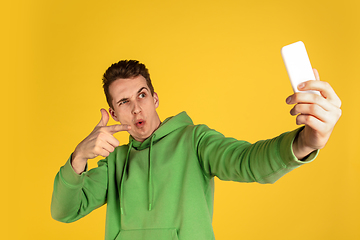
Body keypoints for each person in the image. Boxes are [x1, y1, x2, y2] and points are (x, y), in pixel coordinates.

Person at [51, 60, 341, 240]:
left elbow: (248, 161)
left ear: (155, 98)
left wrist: (306, 142)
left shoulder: (194, 140)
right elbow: (64, 211)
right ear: (114, 114)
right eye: (124, 102)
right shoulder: (115, 161)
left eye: (141, 95)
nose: (137, 107)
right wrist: (78, 158)